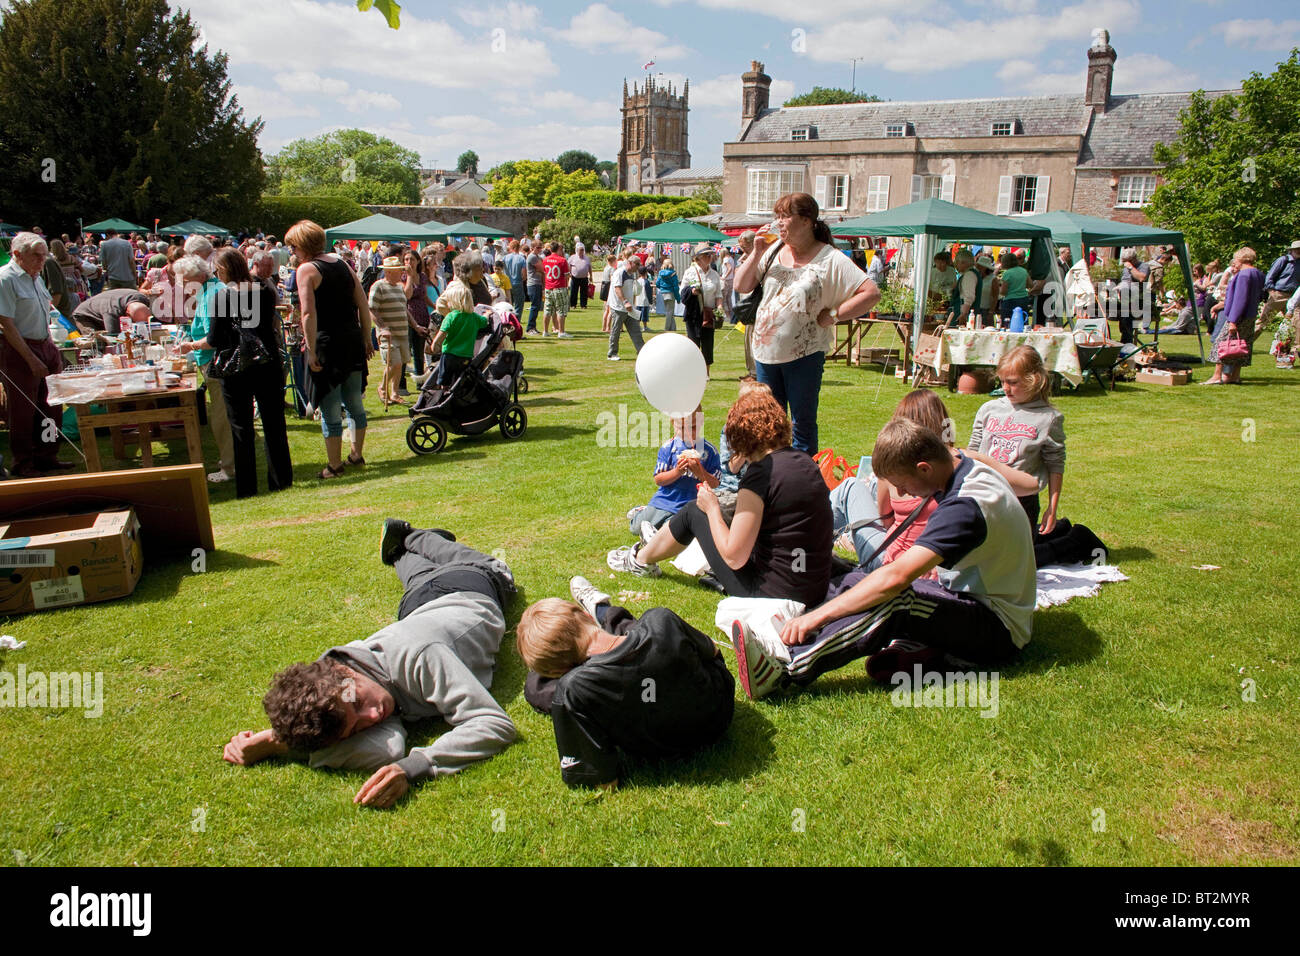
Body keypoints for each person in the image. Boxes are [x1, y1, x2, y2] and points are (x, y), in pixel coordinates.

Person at [731, 418, 1036, 699]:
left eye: (903, 486)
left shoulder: (965, 507)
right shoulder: (961, 464)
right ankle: (912, 648)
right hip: (968, 596)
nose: (904, 493)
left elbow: (896, 579)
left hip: (998, 627)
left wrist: (818, 616)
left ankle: (785, 667)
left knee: (896, 599)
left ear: (924, 468)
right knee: (857, 580)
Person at [222, 522, 518, 808]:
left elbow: (494, 724)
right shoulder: (342, 683)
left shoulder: (421, 656)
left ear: (343, 671)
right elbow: (385, 749)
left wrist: (418, 765)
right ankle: (398, 551)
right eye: (357, 726)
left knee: (489, 565)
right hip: (416, 604)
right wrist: (280, 743)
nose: (375, 714)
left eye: (360, 703)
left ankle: (412, 535)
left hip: (470, 582)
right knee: (411, 571)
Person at [608, 390, 833, 609]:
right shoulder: (806, 463)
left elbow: (734, 557)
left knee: (693, 513)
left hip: (772, 594)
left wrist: (712, 508)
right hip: (813, 586)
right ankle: (648, 551)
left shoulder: (760, 476)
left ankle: (640, 560)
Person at [516, 579, 734, 789]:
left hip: (661, 749)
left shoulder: (573, 689)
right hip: (719, 718)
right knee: (628, 630)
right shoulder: (661, 620)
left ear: (560, 672)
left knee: (535, 686)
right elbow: (713, 651)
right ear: (586, 616)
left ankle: (603, 623)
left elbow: (603, 781)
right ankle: (602, 610)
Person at [733, 193, 879, 454]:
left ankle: (803, 483)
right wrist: (756, 252)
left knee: (802, 425)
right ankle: (773, 480)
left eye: (785, 216)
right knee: (768, 425)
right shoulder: (773, 250)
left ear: (806, 221)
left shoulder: (830, 258)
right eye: (777, 216)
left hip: (804, 355)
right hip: (766, 355)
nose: (779, 223)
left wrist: (835, 315)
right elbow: (741, 285)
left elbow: (871, 293)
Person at [288, 219, 374, 479]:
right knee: (355, 403)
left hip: (327, 343)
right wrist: (366, 338)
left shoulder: (306, 270)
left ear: (303, 245)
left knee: (330, 407)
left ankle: (334, 465)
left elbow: (307, 313)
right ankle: (356, 455)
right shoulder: (343, 264)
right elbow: (362, 304)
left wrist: (311, 350)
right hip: (351, 340)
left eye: (293, 247)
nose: (292, 252)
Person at [205, 249, 292, 499]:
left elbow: (214, 338)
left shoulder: (222, 297)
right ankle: (281, 480)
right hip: (267, 363)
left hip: (235, 368)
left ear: (224, 270)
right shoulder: (263, 291)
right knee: (274, 424)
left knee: (241, 428)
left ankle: (247, 487)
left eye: (217, 269)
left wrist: (196, 344)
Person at [0, 232, 74, 477]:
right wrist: (31, 358)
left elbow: (46, 313)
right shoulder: (6, 279)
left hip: (45, 344)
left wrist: (51, 347)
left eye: (44, 255)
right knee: (23, 409)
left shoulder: (36, 277)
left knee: (51, 405)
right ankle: (23, 462)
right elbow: (6, 325)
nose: (42, 260)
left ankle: (47, 455)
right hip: (19, 348)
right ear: (18, 254)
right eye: (36, 255)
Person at [176, 254, 238, 484]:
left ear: (200, 276)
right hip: (213, 361)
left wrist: (189, 346)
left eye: (185, 279)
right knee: (221, 414)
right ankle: (228, 461)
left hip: (216, 362)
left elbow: (214, 338)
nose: (182, 285)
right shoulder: (209, 291)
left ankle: (230, 468)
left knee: (221, 417)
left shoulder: (213, 294)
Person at [626, 406, 721, 535]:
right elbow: (659, 479)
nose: (688, 432)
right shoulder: (668, 448)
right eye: (682, 428)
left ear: (701, 421)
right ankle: (641, 512)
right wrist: (678, 471)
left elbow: (715, 484)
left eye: (693, 427)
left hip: (689, 505)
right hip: (665, 500)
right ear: (673, 425)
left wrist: (700, 472)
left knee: (673, 532)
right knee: (636, 529)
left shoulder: (710, 451)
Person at [1205, 246, 1265, 386]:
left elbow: (1240, 299)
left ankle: (1217, 376)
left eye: (1236, 259)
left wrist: (1232, 321)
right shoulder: (1258, 274)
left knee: (1222, 344)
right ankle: (1235, 376)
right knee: (1242, 345)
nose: (1235, 262)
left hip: (1238, 316)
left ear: (1242, 259)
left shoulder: (1244, 275)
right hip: (1250, 315)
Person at [427, 273, 488, 387]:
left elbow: (441, 335)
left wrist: (434, 346)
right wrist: (488, 314)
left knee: (444, 381)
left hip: (449, 355)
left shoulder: (451, 316)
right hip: (466, 356)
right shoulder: (474, 317)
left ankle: (444, 394)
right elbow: (484, 321)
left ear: (455, 301)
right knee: (459, 381)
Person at [369, 255, 411, 409]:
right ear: (388, 271)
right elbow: (372, 308)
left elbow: (404, 309)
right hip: (388, 334)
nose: (401, 272)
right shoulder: (378, 286)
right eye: (397, 270)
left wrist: (415, 325)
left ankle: (394, 393)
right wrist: (382, 327)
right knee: (394, 363)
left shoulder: (400, 287)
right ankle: (382, 387)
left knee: (400, 365)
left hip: (402, 333)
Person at [681, 243, 722, 375]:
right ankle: (693, 373)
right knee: (693, 344)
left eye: (710, 254)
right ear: (697, 258)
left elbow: (718, 295)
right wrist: (692, 291)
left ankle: (706, 373)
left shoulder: (715, 274)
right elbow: (682, 293)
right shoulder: (689, 272)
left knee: (708, 344)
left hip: (709, 315)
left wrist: (720, 309)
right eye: (706, 255)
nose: (710, 257)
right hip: (694, 314)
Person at [69, 287, 152, 340]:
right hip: (85, 315)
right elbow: (112, 336)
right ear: (127, 314)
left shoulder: (143, 299)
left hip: (106, 306)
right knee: (97, 342)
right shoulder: (112, 313)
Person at [606, 254, 645, 361]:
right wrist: (625, 302)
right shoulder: (620, 272)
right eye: (637, 264)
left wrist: (632, 304)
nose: (638, 267)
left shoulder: (631, 274)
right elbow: (617, 288)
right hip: (618, 307)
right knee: (616, 331)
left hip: (629, 308)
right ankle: (612, 353)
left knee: (636, 330)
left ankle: (642, 352)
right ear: (630, 263)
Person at [1258, 240, 1300, 335]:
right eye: (1297, 249)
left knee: (1293, 325)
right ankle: (1246, 345)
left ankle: (1283, 348)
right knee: (1263, 322)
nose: (1299, 251)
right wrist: (1272, 292)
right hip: (1278, 294)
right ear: (1291, 250)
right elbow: (1269, 277)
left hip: (1293, 297)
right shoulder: (1283, 260)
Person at [732, 231, 758, 376]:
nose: (742, 251)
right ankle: (751, 371)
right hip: (747, 307)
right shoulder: (746, 258)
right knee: (748, 340)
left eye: (744, 247)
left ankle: (756, 372)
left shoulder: (759, 258)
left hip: (755, 306)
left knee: (754, 339)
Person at [402, 250, 430, 384]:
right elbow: (407, 295)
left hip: (422, 314)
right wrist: (409, 276)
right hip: (409, 315)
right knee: (406, 351)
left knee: (419, 352)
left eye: (412, 259)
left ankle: (420, 381)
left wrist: (435, 306)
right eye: (406, 259)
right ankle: (401, 384)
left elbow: (424, 295)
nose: (409, 262)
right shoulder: (403, 276)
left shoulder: (422, 276)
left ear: (418, 261)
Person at [995, 251, 1033, 329]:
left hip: (1010, 301)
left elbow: (1003, 292)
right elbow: (1030, 285)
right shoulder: (1023, 271)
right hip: (1023, 299)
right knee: (1023, 321)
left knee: (1007, 324)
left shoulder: (1007, 273)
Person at [542, 241, 571, 338]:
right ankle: (561, 332)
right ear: (558, 249)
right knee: (561, 310)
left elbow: (545, 272)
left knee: (547, 310)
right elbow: (567, 275)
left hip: (548, 287)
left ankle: (545, 331)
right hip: (559, 287)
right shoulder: (562, 260)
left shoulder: (545, 260)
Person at [503, 239, 527, 321]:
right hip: (517, 282)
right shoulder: (522, 258)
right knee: (519, 304)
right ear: (518, 247)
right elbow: (524, 275)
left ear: (511, 247)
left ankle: (507, 319)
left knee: (508, 303)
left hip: (507, 283)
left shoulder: (505, 258)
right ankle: (516, 321)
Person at [524, 241, 544, 334]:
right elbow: (542, 268)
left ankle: (533, 327)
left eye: (541, 247)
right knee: (534, 306)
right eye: (538, 247)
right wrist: (540, 269)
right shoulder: (532, 257)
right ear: (532, 248)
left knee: (537, 306)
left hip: (537, 283)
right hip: (533, 284)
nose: (540, 249)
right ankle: (530, 328)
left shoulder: (537, 257)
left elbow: (541, 268)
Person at [655, 257, 680, 333]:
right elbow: (675, 287)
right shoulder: (673, 274)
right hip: (671, 293)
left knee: (669, 311)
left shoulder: (660, 273)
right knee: (670, 312)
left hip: (663, 294)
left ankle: (673, 328)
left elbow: (657, 284)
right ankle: (667, 328)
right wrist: (678, 297)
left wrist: (662, 288)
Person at [568, 243, 591, 310]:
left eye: (582, 250)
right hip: (575, 278)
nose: (581, 251)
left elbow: (589, 267)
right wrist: (569, 273)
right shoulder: (573, 257)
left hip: (584, 278)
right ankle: (573, 305)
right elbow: (569, 265)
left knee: (584, 292)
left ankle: (583, 305)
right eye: (580, 250)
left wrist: (591, 276)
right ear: (577, 250)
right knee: (573, 292)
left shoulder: (586, 258)